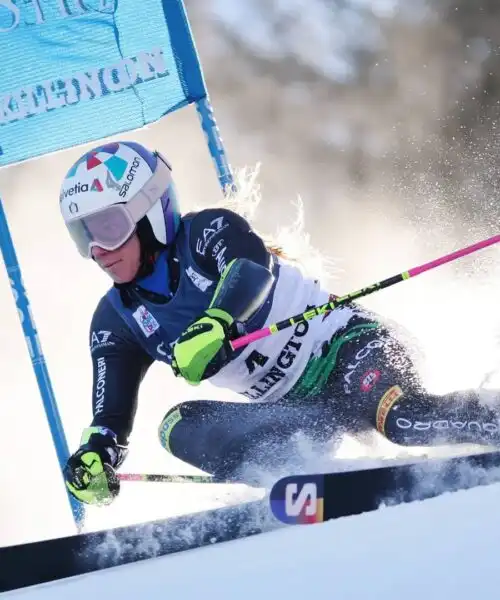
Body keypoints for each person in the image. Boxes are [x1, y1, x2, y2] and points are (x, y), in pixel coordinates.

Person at [60, 140, 500, 506]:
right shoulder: (115, 320)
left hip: (348, 350)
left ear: (151, 212)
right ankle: (303, 470)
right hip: (301, 414)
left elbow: (250, 269)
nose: (98, 249)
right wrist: (96, 455)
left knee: (403, 422)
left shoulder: (207, 231)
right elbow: (110, 416)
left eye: (109, 227)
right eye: (84, 235)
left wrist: (218, 322)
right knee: (176, 427)